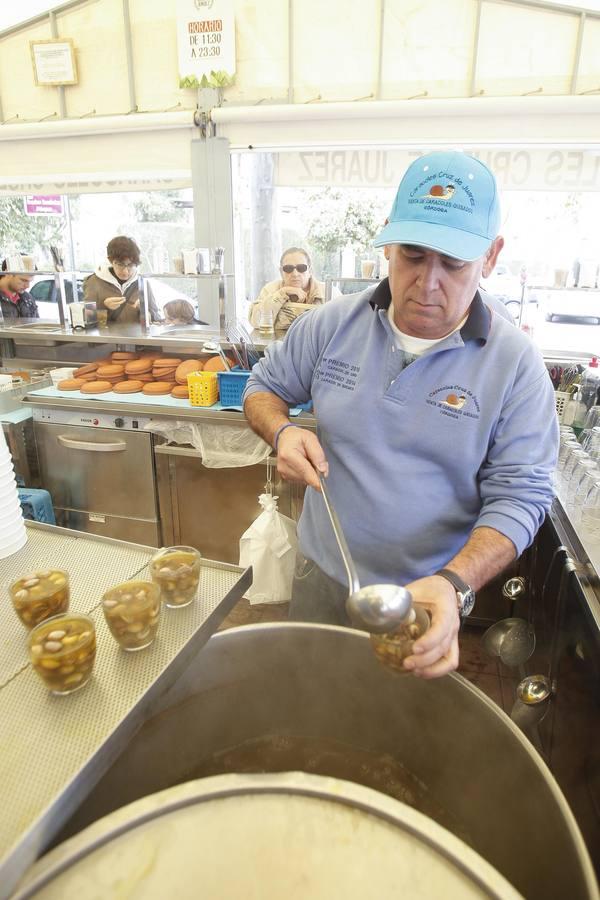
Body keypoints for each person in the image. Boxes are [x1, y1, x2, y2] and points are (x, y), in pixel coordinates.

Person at [243, 150, 558, 680]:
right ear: (388, 242)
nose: (427, 283)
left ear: (491, 256)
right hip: (321, 576)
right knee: (308, 703)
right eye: (412, 254)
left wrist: (454, 583)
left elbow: (522, 496)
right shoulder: (331, 325)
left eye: (453, 263)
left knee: (403, 724)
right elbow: (263, 388)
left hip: (428, 596)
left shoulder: (515, 365)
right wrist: (282, 430)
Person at [83, 236, 160, 324]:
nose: (125, 271)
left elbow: (156, 318)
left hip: (137, 333)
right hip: (108, 333)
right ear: (110, 260)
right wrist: (104, 306)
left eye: (130, 265)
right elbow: (88, 319)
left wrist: (145, 312)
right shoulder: (94, 282)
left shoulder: (142, 283)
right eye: (120, 264)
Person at [248, 247, 327, 331]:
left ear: (310, 271)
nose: (295, 274)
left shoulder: (327, 292)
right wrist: (282, 293)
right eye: (288, 269)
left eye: (301, 268)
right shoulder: (270, 290)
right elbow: (256, 321)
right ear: (281, 272)